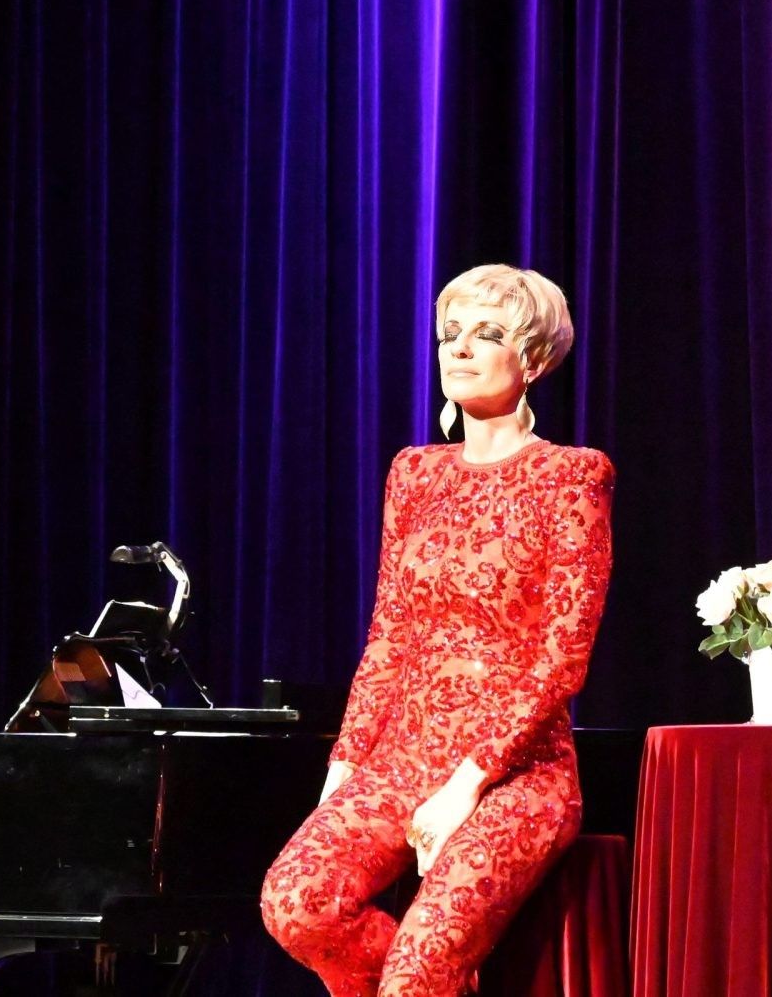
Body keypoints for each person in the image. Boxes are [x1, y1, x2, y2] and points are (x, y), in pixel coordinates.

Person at [261, 265, 615, 996]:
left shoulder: (572, 477)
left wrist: (465, 785)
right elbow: (390, 634)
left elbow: (562, 658)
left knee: (421, 968)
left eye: (487, 334)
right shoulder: (416, 472)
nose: (459, 348)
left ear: (532, 359)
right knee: (297, 903)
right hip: (402, 755)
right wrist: (343, 770)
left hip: (516, 773)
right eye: (451, 333)